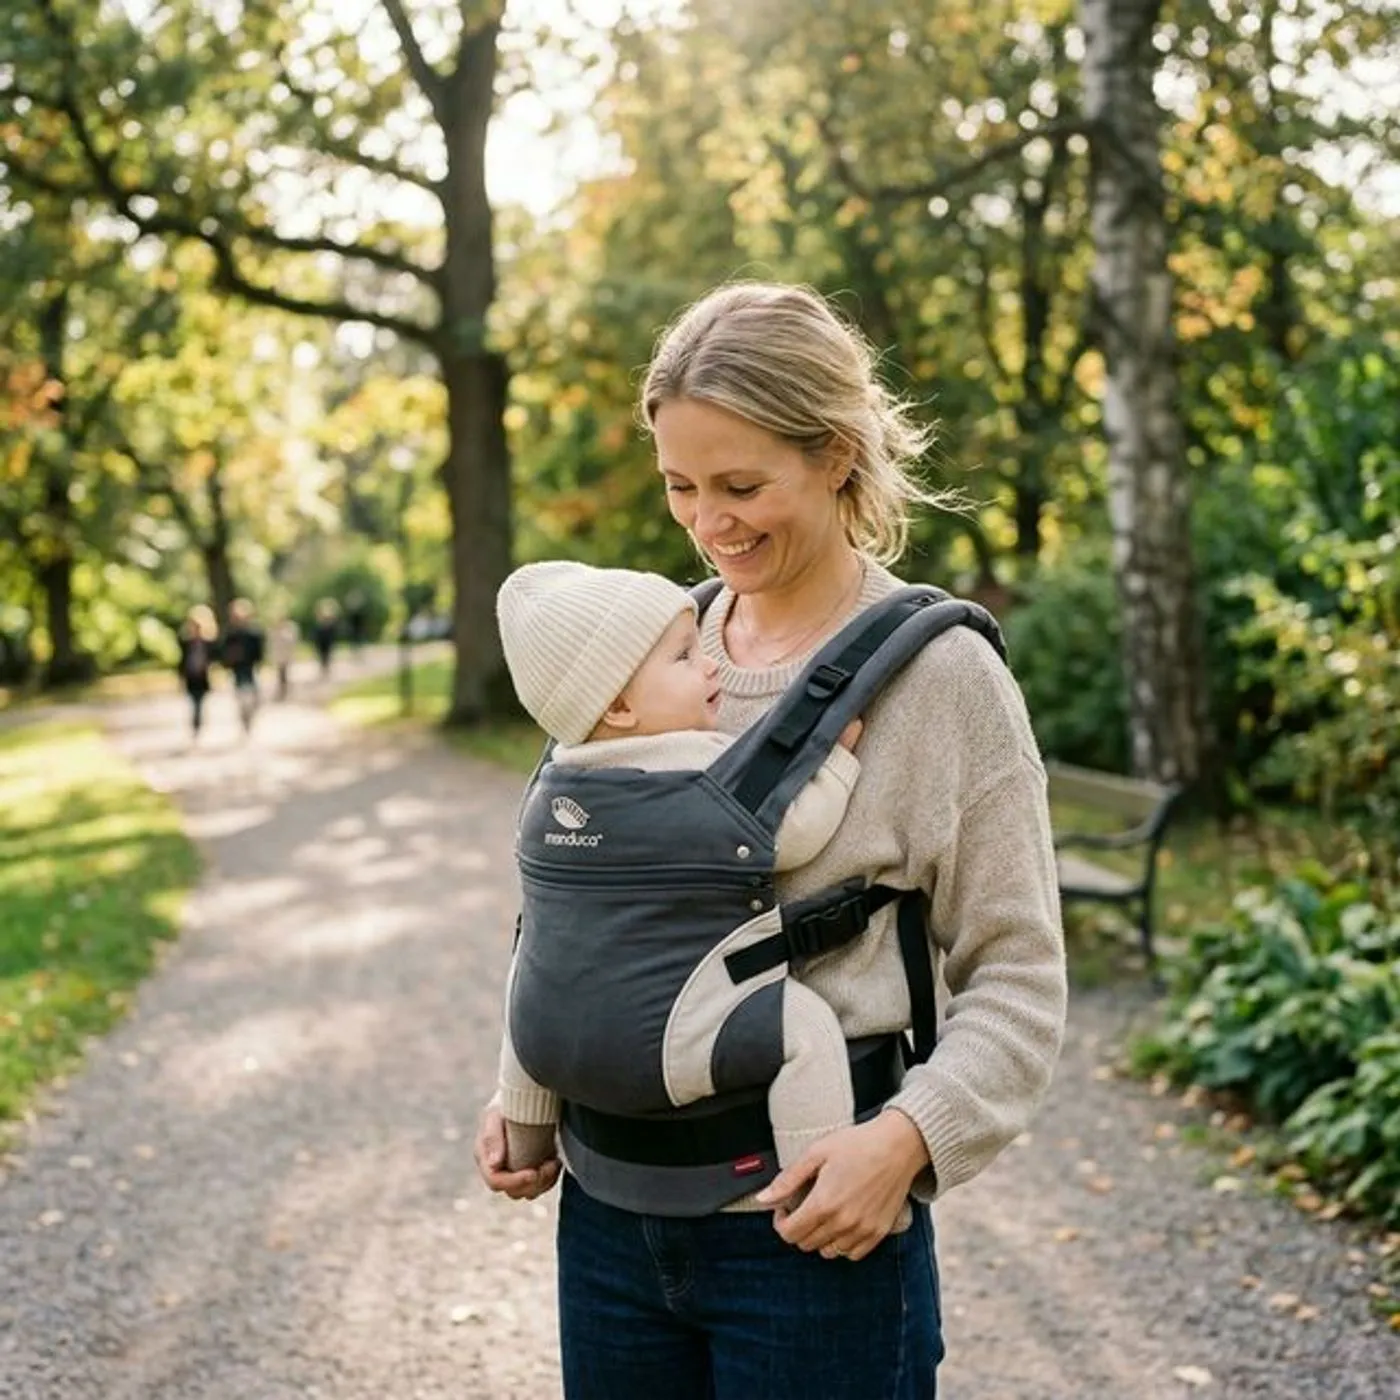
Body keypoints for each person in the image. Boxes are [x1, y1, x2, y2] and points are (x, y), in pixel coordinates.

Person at [474, 281, 1067, 1399]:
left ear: (835, 455)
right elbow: (580, 911)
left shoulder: (940, 679)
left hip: (812, 1239)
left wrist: (909, 1139)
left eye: (741, 485)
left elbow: (1020, 976)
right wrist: (530, 1092)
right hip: (606, 1224)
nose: (709, 523)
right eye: (680, 486)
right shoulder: (639, 659)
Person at [493, 559, 866, 1178]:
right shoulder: (698, 767)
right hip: (674, 1041)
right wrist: (835, 763)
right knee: (807, 1030)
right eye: (685, 657)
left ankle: (524, 1144)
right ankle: (812, 1180)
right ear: (619, 705)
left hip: (552, 1039)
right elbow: (794, 834)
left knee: (537, 983)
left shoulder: (548, 791)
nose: (710, 665)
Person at [219, 598, 265, 735]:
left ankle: (250, 715)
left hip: (251, 668)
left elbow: (259, 650)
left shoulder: (253, 632)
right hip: (237, 669)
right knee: (241, 698)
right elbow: (224, 651)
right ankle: (245, 719)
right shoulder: (230, 633)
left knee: (253, 696)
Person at [176, 604, 218, 741]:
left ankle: (197, 723)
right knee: (194, 703)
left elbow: (214, 660)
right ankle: (196, 724)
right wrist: (180, 678)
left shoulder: (208, 643)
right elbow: (182, 662)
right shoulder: (185, 642)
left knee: (199, 703)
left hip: (202, 677)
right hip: (191, 677)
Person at [268, 616, 299, 701]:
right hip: (278, 657)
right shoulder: (274, 630)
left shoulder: (289, 630)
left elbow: (291, 642)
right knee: (281, 674)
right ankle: (282, 689)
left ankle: (284, 690)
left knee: (284, 674)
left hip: (286, 656)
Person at [311, 598, 339, 678]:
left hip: (328, 642)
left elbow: (334, 624)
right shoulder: (320, 623)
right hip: (321, 642)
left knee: (327, 656)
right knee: (322, 656)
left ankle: (326, 669)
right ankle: (324, 668)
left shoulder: (330, 623)